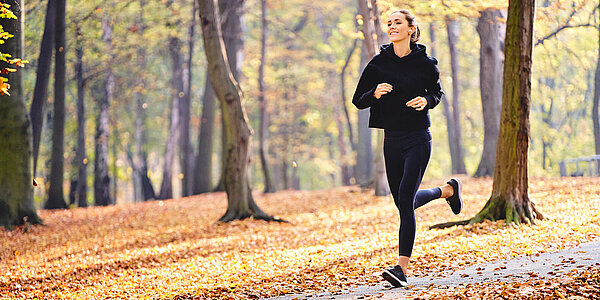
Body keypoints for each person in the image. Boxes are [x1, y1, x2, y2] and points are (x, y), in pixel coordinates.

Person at [351, 9, 463, 287]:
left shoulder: (425, 63)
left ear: (411, 29)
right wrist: (374, 93)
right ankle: (446, 191)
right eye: (389, 24)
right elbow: (358, 99)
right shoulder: (378, 63)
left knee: (404, 200)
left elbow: (436, 93)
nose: (391, 27)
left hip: (417, 138)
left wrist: (426, 100)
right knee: (403, 202)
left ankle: (401, 268)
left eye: (397, 23)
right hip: (392, 140)